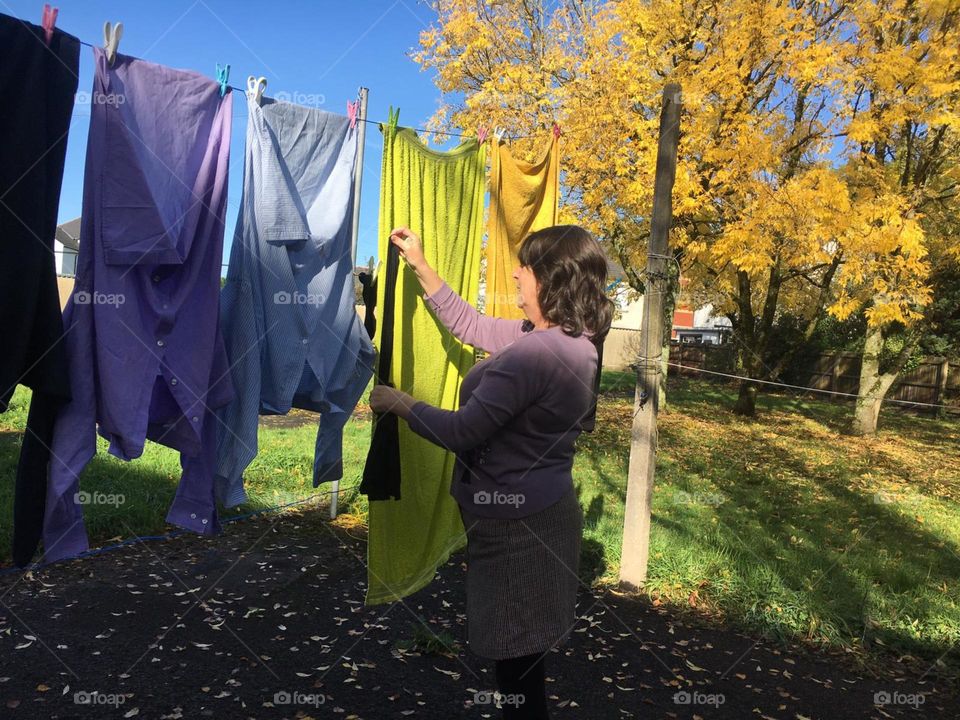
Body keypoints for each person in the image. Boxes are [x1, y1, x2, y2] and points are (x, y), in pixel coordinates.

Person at [369, 224, 613, 719]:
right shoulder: (573, 340)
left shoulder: (535, 355)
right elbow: (473, 326)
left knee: (516, 664)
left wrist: (401, 404)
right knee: (524, 657)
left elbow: (462, 432)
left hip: (517, 531)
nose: (514, 274)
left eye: (524, 267)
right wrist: (419, 263)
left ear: (549, 277)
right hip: (541, 514)